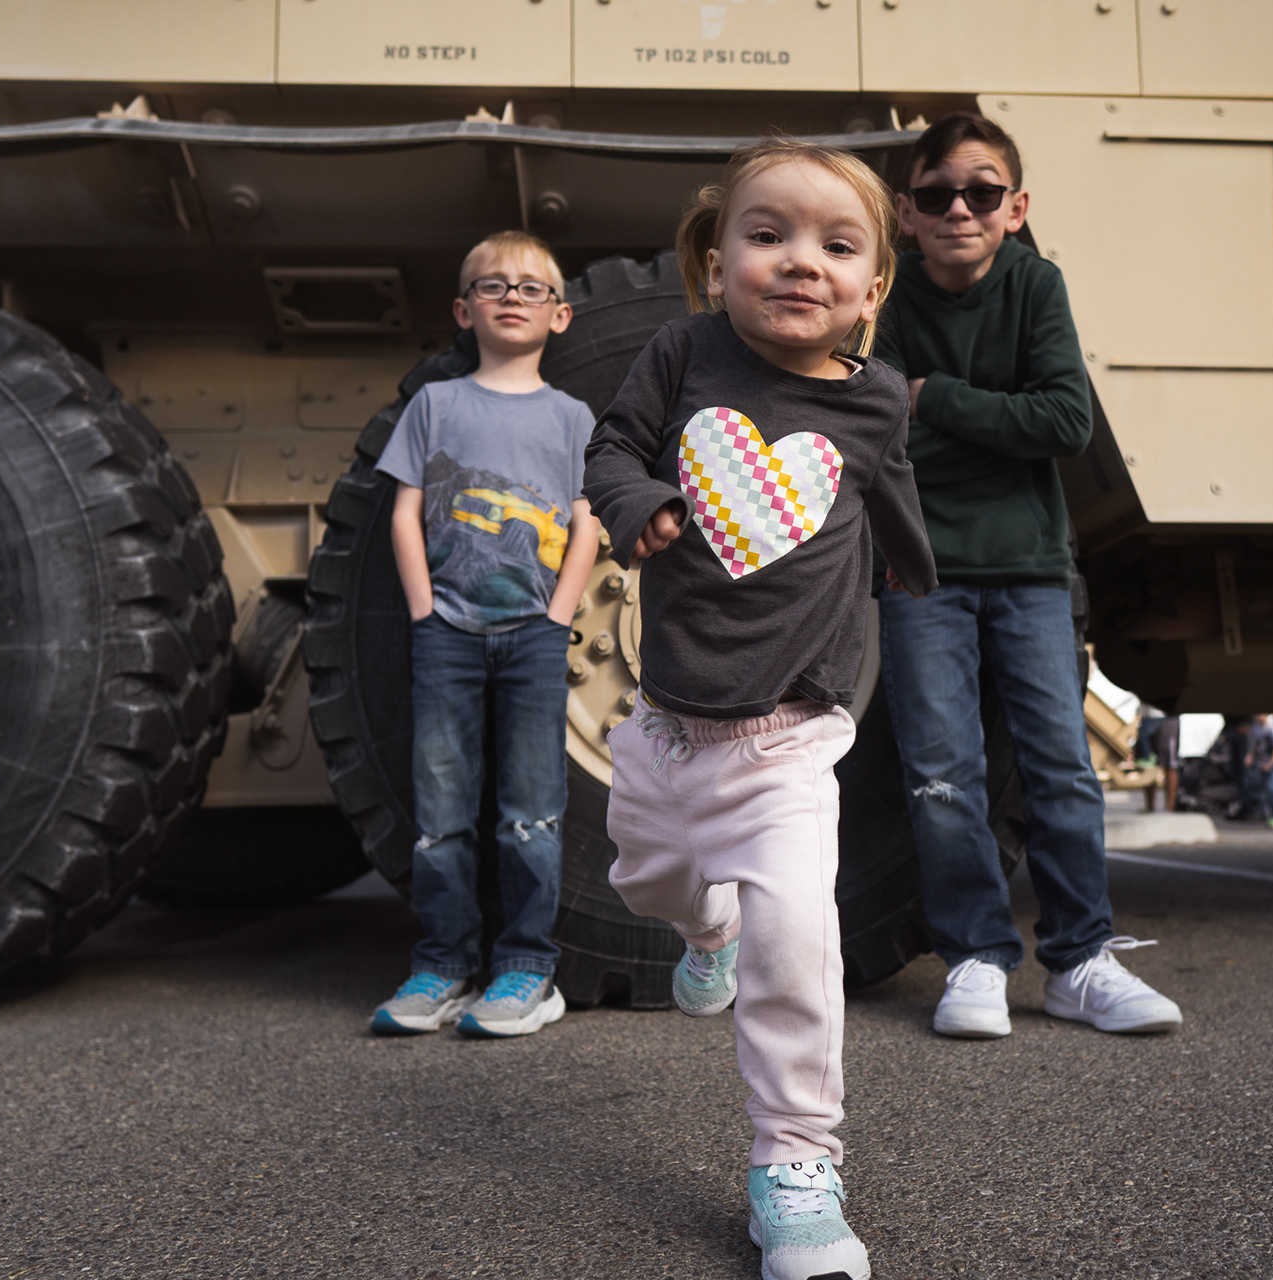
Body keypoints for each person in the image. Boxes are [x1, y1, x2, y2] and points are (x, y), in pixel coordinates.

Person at [583, 139, 936, 1280]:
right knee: (645, 879)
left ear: (872, 290)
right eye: (768, 234)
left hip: (791, 734)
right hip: (666, 727)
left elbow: (888, 489)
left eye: (838, 246)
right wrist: (635, 501)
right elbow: (613, 444)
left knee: (801, 944)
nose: (800, 261)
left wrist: (916, 569)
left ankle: (796, 1164)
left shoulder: (875, 398)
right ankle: (706, 932)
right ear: (716, 260)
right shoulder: (682, 353)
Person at [872, 110, 1182, 1041]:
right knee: (941, 774)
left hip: (1032, 570)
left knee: (1060, 769)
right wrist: (995, 425)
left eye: (982, 192)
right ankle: (974, 958)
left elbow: (1066, 423)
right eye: (937, 195)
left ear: (1017, 207)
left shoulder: (1035, 283)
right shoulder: (886, 300)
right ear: (905, 212)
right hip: (920, 571)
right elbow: (881, 443)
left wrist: (938, 398)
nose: (959, 210)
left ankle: (1080, 961)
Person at [368, 230, 600, 1039]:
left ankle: (528, 969)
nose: (511, 297)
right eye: (492, 285)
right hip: (447, 633)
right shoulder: (434, 405)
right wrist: (424, 610)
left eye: (532, 288)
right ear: (463, 310)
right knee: (442, 811)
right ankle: (442, 966)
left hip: (535, 635)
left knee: (531, 810)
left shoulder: (571, 417)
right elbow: (404, 513)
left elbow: (586, 524)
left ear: (559, 315)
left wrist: (559, 615)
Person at [1242, 713, 1273, 829]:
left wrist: (1270, 764)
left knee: (1271, 788)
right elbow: (1254, 744)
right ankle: (1269, 815)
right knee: (1262, 790)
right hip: (1261, 763)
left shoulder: (1272, 727)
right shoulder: (1256, 727)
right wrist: (1250, 756)